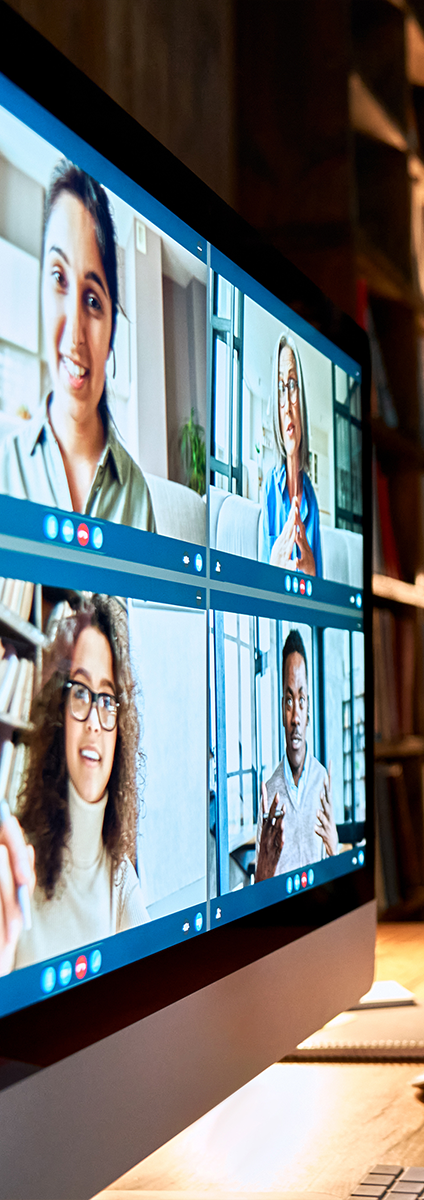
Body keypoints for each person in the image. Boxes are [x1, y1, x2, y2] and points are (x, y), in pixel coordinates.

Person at [0, 160, 156, 531]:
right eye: (58, 277)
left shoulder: (137, 497)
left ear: (112, 332)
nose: (74, 336)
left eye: (93, 300)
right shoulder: (6, 466)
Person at [0, 594, 149, 976]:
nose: (94, 722)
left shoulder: (121, 881)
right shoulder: (16, 863)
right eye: (80, 692)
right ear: (58, 715)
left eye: (108, 700)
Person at [254, 629, 336, 881]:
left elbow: (336, 878)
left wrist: (335, 848)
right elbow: (260, 887)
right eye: (289, 701)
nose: (296, 718)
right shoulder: (270, 793)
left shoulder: (323, 780)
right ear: (281, 711)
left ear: (309, 709)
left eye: (301, 700)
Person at [259, 334, 322, 577]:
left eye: (292, 385)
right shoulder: (268, 489)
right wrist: (276, 561)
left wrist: (312, 572)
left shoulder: (311, 499)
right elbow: (262, 588)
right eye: (279, 388)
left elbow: (320, 592)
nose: (286, 404)